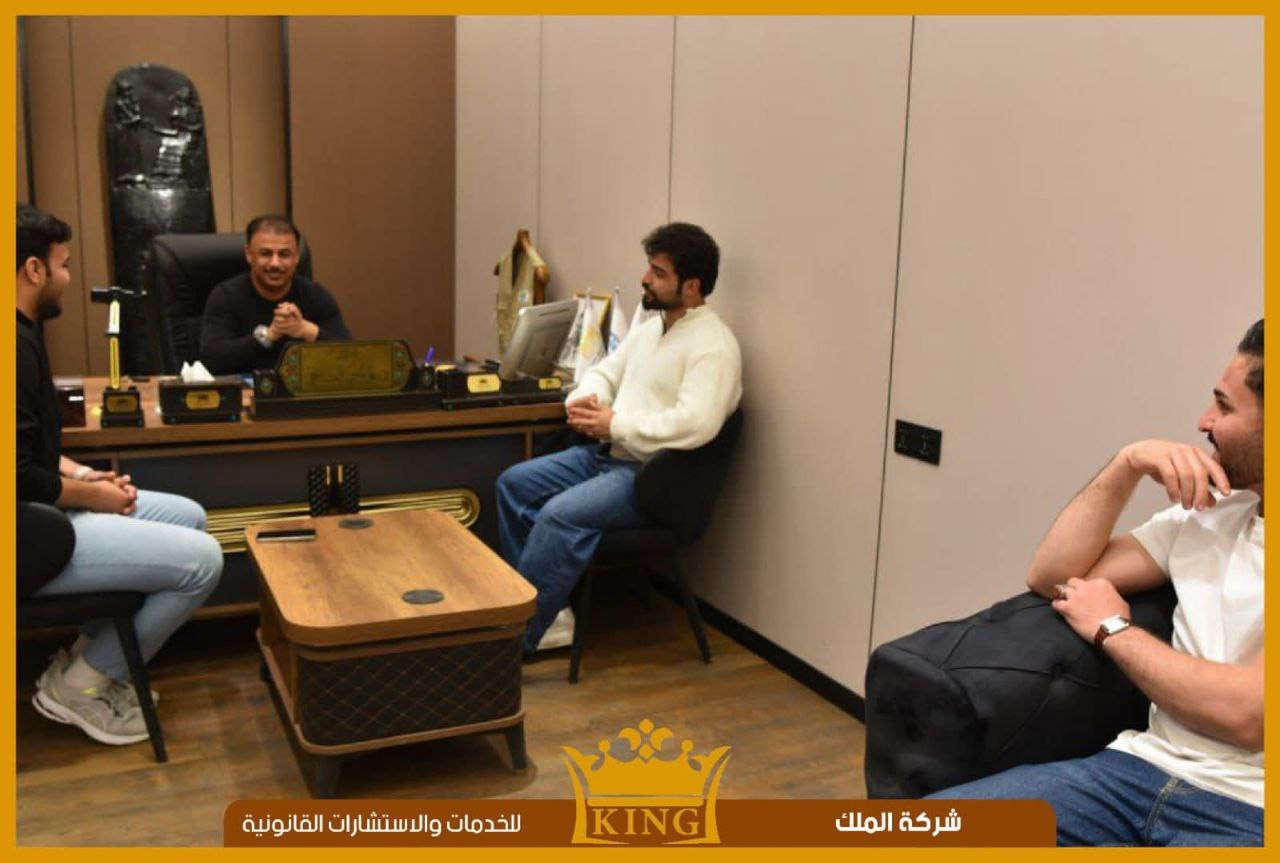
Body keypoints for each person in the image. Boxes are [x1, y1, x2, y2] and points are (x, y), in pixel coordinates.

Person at [930, 320, 1264, 847]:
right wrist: (1128, 463)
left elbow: (1246, 716)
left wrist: (1114, 630)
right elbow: (1051, 573)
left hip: (1248, 813)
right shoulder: (1214, 515)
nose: (1204, 420)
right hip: (1134, 776)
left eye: (1223, 407)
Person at [17, 203, 224, 746]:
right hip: (25, 535)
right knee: (203, 563)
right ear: (33, 270)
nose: (68, 277)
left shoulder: (23, 333)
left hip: (41, 509)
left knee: (189, 516)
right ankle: (80, 687)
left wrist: (86, 475)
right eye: (63, 265)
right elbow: (17, 477)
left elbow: (28, 448)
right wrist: (92, 497)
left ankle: (85, 658)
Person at [496, 222, 742, 655]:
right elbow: (605, 372)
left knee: (557, 515)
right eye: (649, 268)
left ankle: (516, 641)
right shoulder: (651, 328)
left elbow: (697, 424)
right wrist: (586, 399)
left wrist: (616, 425)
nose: (645, 279)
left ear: (691, 286)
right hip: (608, 455)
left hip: (652, 478)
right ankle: (549, 615)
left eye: (659, 273)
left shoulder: (714, 346)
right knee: (513, 484)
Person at [199, 214, 351, 373]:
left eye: (284, 254)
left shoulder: (315, 295)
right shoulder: (225, 297)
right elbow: (211, 360)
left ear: (297, 257)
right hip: (246, 387)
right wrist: (268, 336)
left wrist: (306, 330)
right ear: (249, 254)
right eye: (266, 253)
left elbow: (351, 357)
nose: (275, 263)